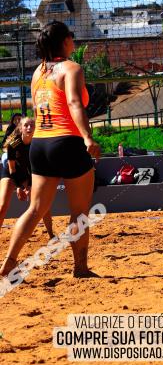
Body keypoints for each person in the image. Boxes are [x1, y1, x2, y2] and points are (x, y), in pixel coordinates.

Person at [0, 21, 101, 280]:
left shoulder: (38, 73)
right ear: (64, 41)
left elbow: (39, 111)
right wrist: (88, 137)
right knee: (79, 211)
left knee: (34, 209)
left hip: (41, 145)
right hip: (67, 141)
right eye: (71, 35)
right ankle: (80, 268)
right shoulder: (71, 68)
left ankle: (9, 262)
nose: (73, 39)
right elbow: (74, 102)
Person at [0, 117, 54, 237]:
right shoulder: (14, 142)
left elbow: (37, 168)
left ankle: (51, 234)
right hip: (11, 172)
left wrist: (29, 185)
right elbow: (11, 168)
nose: (29, 128)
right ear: (21, 128)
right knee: (2, 205)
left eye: (32, 125)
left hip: (30, 173)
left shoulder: (38, 143)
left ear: (36, 128)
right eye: (26, 125)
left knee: (42, 205)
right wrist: (19, 186)